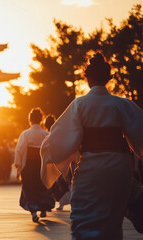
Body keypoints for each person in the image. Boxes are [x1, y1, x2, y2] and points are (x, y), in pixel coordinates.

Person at [41, 53, 143, 239]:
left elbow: (57, 137)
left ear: (87, 78)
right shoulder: (122, 104)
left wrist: (51, 157)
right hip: (120, 167)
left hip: (91, 167)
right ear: (107, 78)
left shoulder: (79, 104)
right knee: (112, 222)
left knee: (83, 219)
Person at [15, 108, 55, 222]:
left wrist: (18, 166)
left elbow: (19, 150)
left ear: (30, 119)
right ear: (41, 119)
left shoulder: (26, 134)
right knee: (42, 187)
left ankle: (33, 212)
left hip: (29, 165)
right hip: (41, 164)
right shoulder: (46, 134)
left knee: (29, 188)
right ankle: (43, 209)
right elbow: (51, 150)